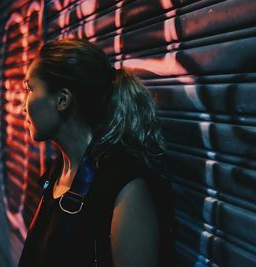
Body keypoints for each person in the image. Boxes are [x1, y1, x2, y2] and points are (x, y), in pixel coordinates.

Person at [17, 38, 174, 267]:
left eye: (30, 89)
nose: (23, 105)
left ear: (62, 100)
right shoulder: (58, 170)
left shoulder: (125, 186)